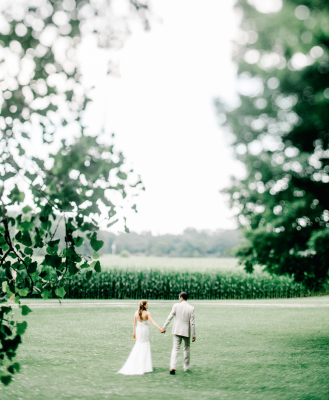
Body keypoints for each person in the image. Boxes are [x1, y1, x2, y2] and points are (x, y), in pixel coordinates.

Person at [118, 299, 164, 375]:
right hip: (144, 329)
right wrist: (160, 328)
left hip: (138, 330)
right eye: (147, 304)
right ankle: (145, 365)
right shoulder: (147, 313)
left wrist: (134, 333)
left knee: (139, 344)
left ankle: (138, 362)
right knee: (145, 345)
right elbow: (152, 322)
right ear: (144, 305)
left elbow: (134, 324)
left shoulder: (136, 313)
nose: (148, 305)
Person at [162, 292, 196, 375]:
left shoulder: (176, 306)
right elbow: (192, 323)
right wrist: (193, 334)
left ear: (181, 297)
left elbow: (169, 317)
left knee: (175, 349)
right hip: (186, 331)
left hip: (177, 330)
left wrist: (164, 327)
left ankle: (172, 367)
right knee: (186, 348)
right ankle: (186, 367)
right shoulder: (191, 308)